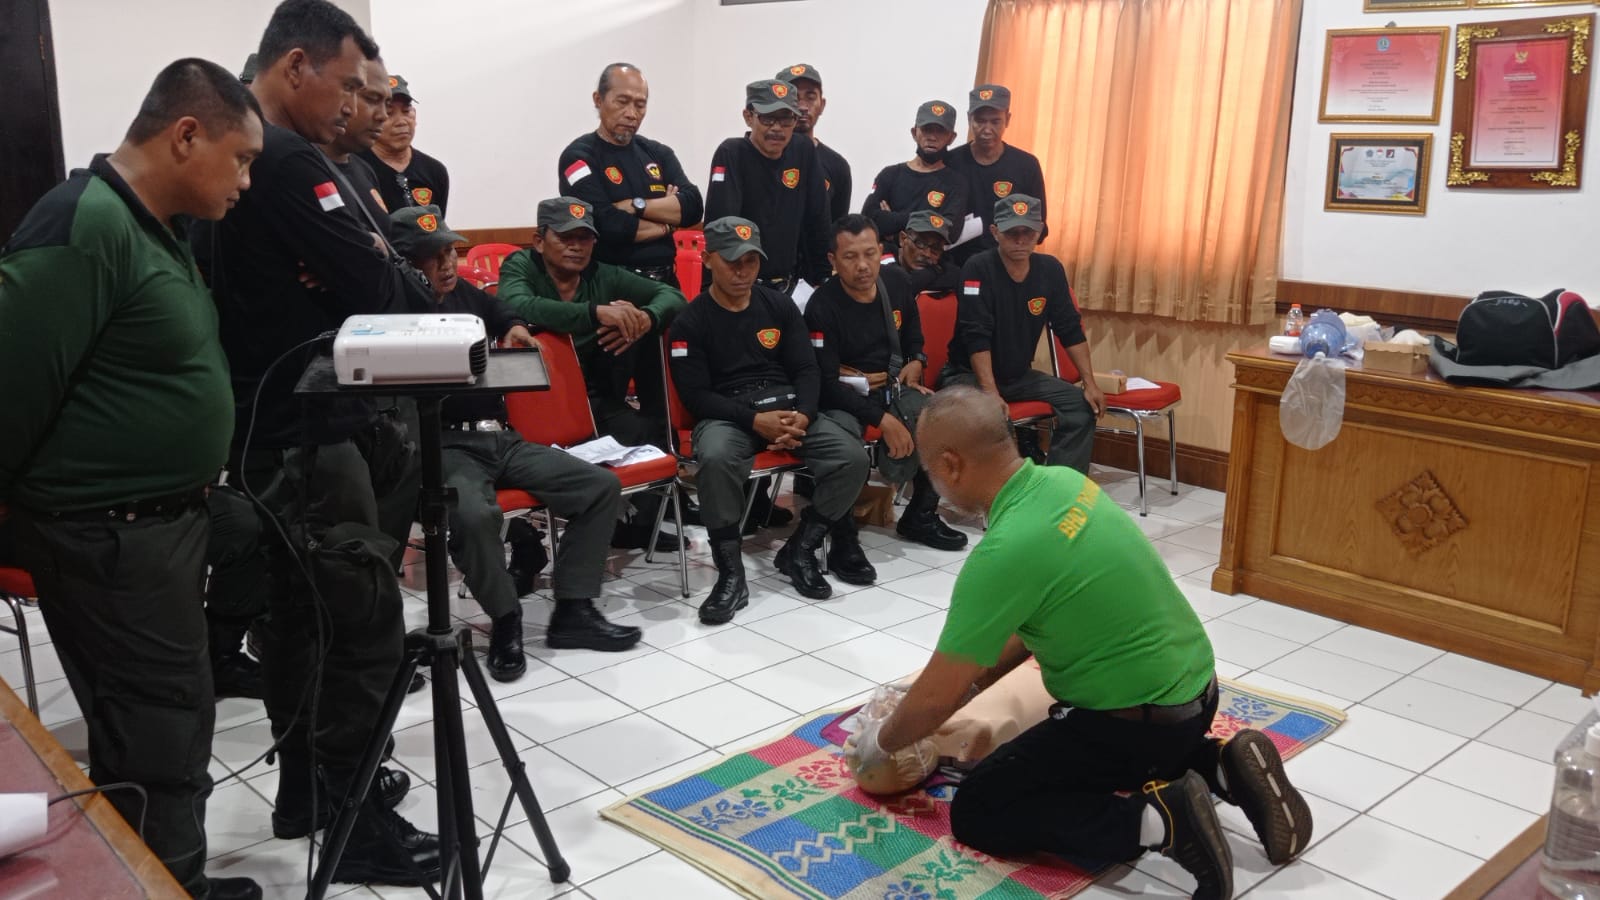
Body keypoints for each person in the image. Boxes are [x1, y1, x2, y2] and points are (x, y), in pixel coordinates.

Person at [847, 387, 1313, 900]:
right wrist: (973, 682)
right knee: (1109, 751)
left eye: (929, 470)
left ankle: (1158, 821)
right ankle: (1221, 767)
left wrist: (881, 742)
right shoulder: (1067, 483)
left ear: (952, 464)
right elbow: (1024, 633)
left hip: (1135, 722)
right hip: (1198, 695)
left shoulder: (1003, 552)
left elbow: (935, 698)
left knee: (982, 807)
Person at [0, 58, 265, 900]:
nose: (246, 181)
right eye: (241, 158)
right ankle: (168, 886)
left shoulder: (154, 226)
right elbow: (9, 393)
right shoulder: (84, 226)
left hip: (161, 520)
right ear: (186, 136)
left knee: (169, 723)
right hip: (109, 533)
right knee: (160, 735)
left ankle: (161, 878)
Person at [191, 0, 440, 885]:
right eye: (347, 86)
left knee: (301, 626)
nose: (355, 107)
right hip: (304, 434)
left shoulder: (277, 154)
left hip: (278, 429)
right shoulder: (288, 159)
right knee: (360, 627)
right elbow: (386, 288)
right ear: (295, 66)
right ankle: (352, 822)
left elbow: (380, 272)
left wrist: (368, 267)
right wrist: (369, 268)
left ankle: (308, 792)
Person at [391, 204, 642, 668]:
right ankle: (505, 618)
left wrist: (513, 326)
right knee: (473, 516)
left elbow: (500, 306)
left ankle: (574, 609)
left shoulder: (462, 294)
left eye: (451, 253)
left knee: (599, 486)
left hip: (501, 439)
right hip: (445, 444)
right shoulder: (393, 308)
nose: (447, 265)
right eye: (433, 257)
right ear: (405, 263)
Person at [668, 217, 871, 623]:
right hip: (728, 414)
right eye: (732, 261)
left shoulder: (778, 305)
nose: (742, 271)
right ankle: (731, 573)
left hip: (788, 409)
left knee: (853, 458)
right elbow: (696, 397)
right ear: (708, 259)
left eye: (751, 261)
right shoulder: (690, 321)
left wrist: (804, 416)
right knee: (716, 457)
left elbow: (807, 369)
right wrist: (755, 420)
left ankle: (801, 549)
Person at [497, 197, 686, 551]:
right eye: (565, 237)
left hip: (595, 397)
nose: (576, 246)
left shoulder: (603, 273)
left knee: (652, 431)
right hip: (537, 401)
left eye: (584, 238)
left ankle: (637, 525)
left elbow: (672, 295)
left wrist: (645, 319)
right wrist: (595, 313)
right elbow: (515, 304)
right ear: (539, 240)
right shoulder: (520, 264)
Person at [805, 216, 966, 552]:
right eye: (850, 257)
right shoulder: (822, 306)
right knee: (846, 443)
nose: (863, 266)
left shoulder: (896, 282)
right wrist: (883, 421)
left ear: (881, 251)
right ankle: (844, 535)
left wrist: (916, 361)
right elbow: (826, 384)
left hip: (892, 388)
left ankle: (921, 515)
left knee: (945, 419)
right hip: (843, 398)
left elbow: (913, 335)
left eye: (869, 254)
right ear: (833, 260)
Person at [940, 195, 1103, 473]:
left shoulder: (1050, 269)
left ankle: (1060, 485)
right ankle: (1001, 493)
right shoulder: (977, 268)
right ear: (995, 232)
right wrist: (990, 392)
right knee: (993, 417)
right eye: (1011, 232)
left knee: (1080, 406)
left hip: (1018, 376)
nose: (1020, 240)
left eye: (1027, 232)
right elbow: (975, 336)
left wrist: (1090, 383)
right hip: (967, 376)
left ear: (1039, 232)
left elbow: (1069, 328)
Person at [556, 63, 703, 285]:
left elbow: (693, 206)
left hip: (665, 281)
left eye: (640, 105)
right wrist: (668, 223)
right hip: (611, 283)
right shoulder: (578, 158)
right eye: (622, 102)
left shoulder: (658, 153)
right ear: (598, 100)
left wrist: (636, 206)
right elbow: (606, 225)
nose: (632, 114)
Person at [704, 80, 830, 294]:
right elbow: (721, 227)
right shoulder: (731, 153)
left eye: (786, 119)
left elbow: (818, 219)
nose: (777, 128)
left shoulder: (803, 150)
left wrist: (823, 278)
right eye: (767, 118)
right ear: (748, 117)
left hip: (791, 285)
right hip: (741, 286)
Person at [947, 84, 1048, 265]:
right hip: (957, 263)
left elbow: (1039, 226)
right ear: (969, 119)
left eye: (995, 122)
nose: (987, 130)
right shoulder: (950, 162)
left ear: (1007, 119)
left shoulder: (1026, 165)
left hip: (1008, 263)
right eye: (980, 121)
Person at [861, 101, 970, 257]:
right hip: (888, 259)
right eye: (927, 129)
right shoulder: (890, 175)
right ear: (914, 132)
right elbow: (869, 219)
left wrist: (892, 225)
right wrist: (930, 219)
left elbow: (951, 232)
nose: (932, 137)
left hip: (931, 261)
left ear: (951, 137)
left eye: (940, 131)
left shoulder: (956, 183)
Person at [359, 73, 449, 215]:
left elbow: (437, 226)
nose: (401, 122)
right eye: (389, 113)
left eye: (406, 111)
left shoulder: (434, 171)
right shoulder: (355, 169)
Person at [319, 56, 392, 230]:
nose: (383, 115)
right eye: (372, 99)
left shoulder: (365, 170)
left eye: (387, 104)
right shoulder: (304, 167)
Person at [775, 63, 851, 223]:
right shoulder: (760, 156)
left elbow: (838, 230)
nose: (802, 106)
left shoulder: (837, 165)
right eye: (794, 98)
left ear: (822, 105)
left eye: (810, 97)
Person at [881, 209, 963, 297]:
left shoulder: (946, 268)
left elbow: (955, 275)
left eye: (935, 248)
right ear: (903, 239)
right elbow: (894, 288)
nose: (927, 254)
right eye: (920, 243)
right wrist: (932, 273)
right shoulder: (881, 254)